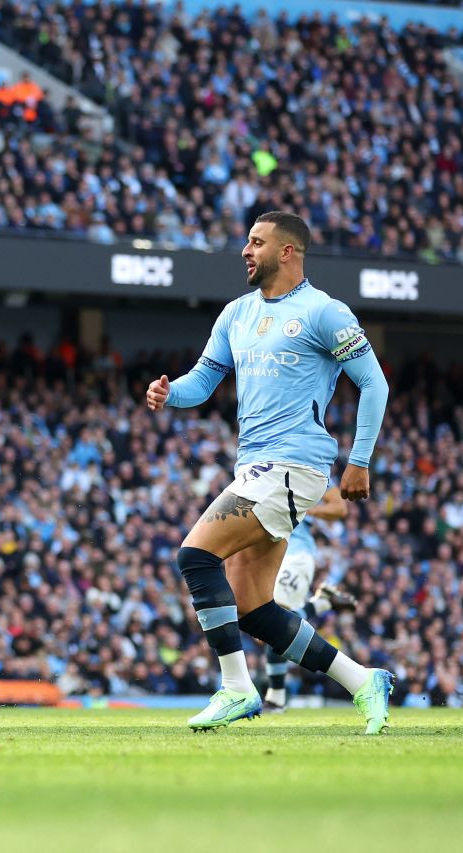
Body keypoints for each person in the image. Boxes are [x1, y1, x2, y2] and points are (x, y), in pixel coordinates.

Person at [146, 210, 393, 734]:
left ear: (287, 252)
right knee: (253, 607)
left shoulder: (325, 313)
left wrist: (360, 461)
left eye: (256, 242)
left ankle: (237, 688)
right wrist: (171, 395)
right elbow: (203, 379)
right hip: (256, 466)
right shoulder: (236, 314)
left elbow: (374, 384)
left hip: (292, 464)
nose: (245, 250)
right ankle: (363, 680)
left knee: (195, 554)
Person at [262, 486, 355, 712]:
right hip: (270, 555)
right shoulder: (263, 466)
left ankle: (276, 697)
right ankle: (322, 602)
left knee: (275, 621)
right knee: (271, 622)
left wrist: (306, 511)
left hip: (295, 554)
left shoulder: (311, 470)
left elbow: (339, 508)